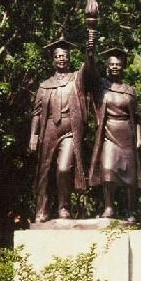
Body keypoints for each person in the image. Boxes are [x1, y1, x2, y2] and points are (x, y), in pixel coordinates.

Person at [29, 34, 97, 222]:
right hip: (49, 128)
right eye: (58, 56)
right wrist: (33, 135)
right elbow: (36, 113)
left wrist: (90, 49)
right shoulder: (44, 86)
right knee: (44, 171)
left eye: (65, 55)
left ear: (69, 58)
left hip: (69, 130)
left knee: (64, 168)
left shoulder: (76, 79)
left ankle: (64, 208)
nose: (62, 58)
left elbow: (89, 68)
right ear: (53, 59)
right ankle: (41, 210)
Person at [89, 47, 141, 220]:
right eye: (111, 64)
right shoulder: (101, 87)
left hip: (126, 134)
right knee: (108, 169)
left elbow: (137, 117)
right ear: (107, 65)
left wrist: (140, 138)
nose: (114, 67)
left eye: (118, 64)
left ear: (123, 66)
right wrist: (90, 49)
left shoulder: (130, 91)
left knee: (129, 176)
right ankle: (109, 207)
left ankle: (130, 210)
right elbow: (88, 74)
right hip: (108, 133)